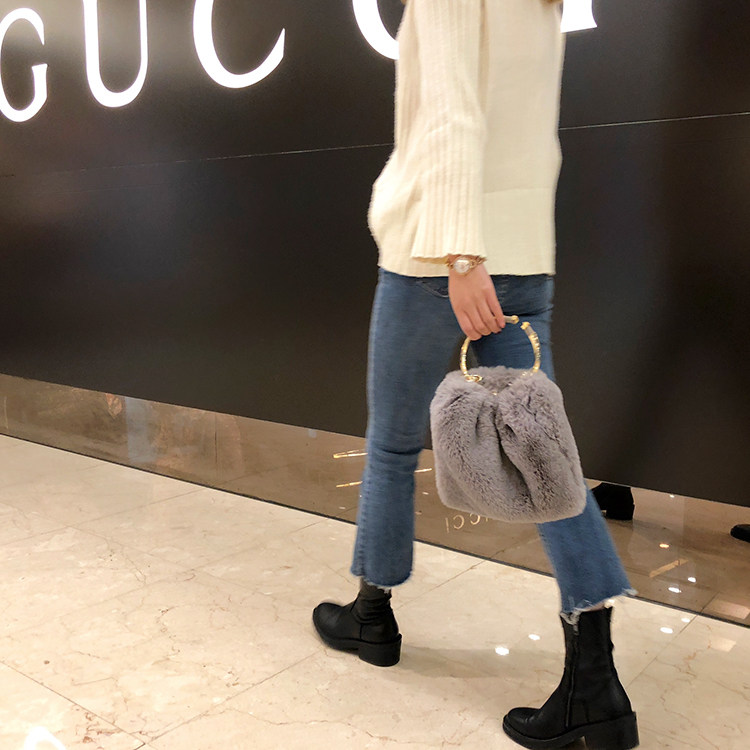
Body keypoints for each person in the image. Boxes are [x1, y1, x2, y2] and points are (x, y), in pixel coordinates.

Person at [313, 1, 639, 748]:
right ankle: (594, 681)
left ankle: (371, 616)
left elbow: (452, 112)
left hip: (442, 258)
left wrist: (461, 254)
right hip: (524, 253)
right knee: (549, 463)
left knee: (393, 447)